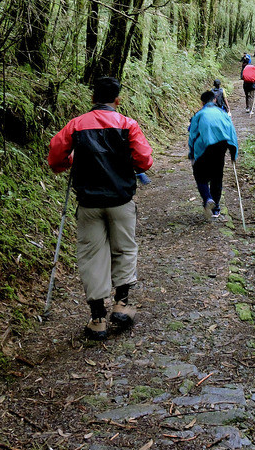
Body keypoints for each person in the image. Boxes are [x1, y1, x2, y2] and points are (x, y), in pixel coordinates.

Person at [47, 77, 154, 341]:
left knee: (92, 255)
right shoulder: (128, 124)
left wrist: (68, 162)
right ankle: (121, 304)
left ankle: (97, 319)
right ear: (117, 100)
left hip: (89, 203)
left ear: (93, 98)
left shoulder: (76, 125)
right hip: (120, 201)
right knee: (125, 248)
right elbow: (145, 161)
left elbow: (55, 155)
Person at [188, 90, 239, 220]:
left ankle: (207, 198)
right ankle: (216, 209)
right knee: (217, 177)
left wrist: (192, 154)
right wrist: (234, 153)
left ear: (202, 102)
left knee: (200, 176)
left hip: (204, 148)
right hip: (221, 148)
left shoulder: (199, 115)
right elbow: (232, 133)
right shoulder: (223, 114)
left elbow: (192, 135)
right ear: (215, 100)